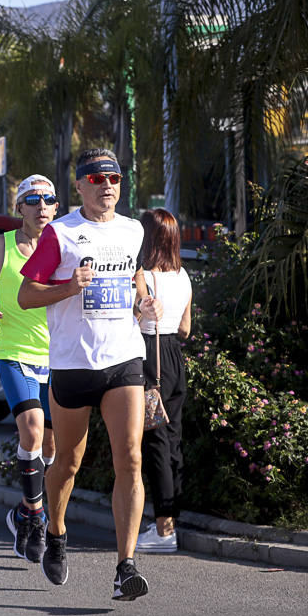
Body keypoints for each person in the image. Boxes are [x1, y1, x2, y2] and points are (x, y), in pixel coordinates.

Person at [18, 148, 160, 601]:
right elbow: (25, 295)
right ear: (79, 185)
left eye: (114, 178)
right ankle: (56, 533)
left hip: (123, 358)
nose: (107, 186)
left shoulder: (133, 230)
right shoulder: (60, 233)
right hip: (73, 364)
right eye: (97, 179)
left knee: (131, 458)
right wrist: (68, 287)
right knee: (69, 462)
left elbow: (134, 279)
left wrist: (143, 303)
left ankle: (126, 565)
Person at [0, 174, 59, 564]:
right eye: (32, 200)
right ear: (19, 207)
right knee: (31, 428)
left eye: (48, 200)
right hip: (14, 350)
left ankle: (22, 510)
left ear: (55, 207)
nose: (40, 207)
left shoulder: (66, 245)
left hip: (59, 357)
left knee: (50, 447)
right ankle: (35, 516)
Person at [136, 208, 192, 554]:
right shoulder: (184, 275)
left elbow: (134, 315)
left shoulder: (143, 276)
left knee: (154, 440)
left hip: (149, 358)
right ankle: (171, 519)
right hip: (174, 357)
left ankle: (163, 530)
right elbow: (186, 329)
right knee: (173, 439)